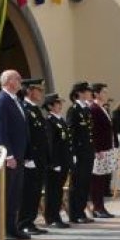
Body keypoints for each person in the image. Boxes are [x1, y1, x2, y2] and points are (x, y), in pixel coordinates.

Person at [0, 69, 30, 240]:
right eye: (17, 78)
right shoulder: (1, 101)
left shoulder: (15, 100)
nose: (20, 80)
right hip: (7, 156)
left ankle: (12, 228)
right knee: (4, 194)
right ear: (8, 81)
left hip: (18, 155)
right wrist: (8, 155)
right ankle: (0, 231)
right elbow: (0, 131)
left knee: (15, 194)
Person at [18, 80, 50, 235]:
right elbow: (26, 136)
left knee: (36, 191)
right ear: (30, 91)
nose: (41, 93)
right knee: (28, 192)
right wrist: (27, 157)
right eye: (38, 90)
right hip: (30, 158)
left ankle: (30, 221)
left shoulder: (35, 109)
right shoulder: (24, 109)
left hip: (39, 157)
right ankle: (23, 222)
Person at [66, 81, 95, 224]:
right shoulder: (74, 110)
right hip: (79, 152)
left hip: (88, 152)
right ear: (80, 93)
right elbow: (70, 133)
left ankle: (81, 211)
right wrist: (73, 153)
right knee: (77, 183)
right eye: (87, 91)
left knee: (85, 183)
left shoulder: (86, 109)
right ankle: (74, 213)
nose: (90, 93)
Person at [43, 93, 71, 228]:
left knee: (58, 190)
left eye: (60, 103)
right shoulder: (49, 121)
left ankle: (56, 215)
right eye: (57, 103)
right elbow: (50, 144)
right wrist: (53, 163)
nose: (60, 105)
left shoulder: (60, 120)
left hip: (63, 161)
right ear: (50, 106)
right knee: (52, 191)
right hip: (55, 163)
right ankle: (51, 217)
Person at [89, 83, 117, 218]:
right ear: (97, 94)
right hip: (99, 150)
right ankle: (97, 207)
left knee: (103, 179)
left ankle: (101, 206)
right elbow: (93, 131)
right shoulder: (93, 109)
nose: (106, 95)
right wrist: (96, 149)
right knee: (97, 180)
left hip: (106, 148)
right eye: (104, 92)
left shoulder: (102, 108)